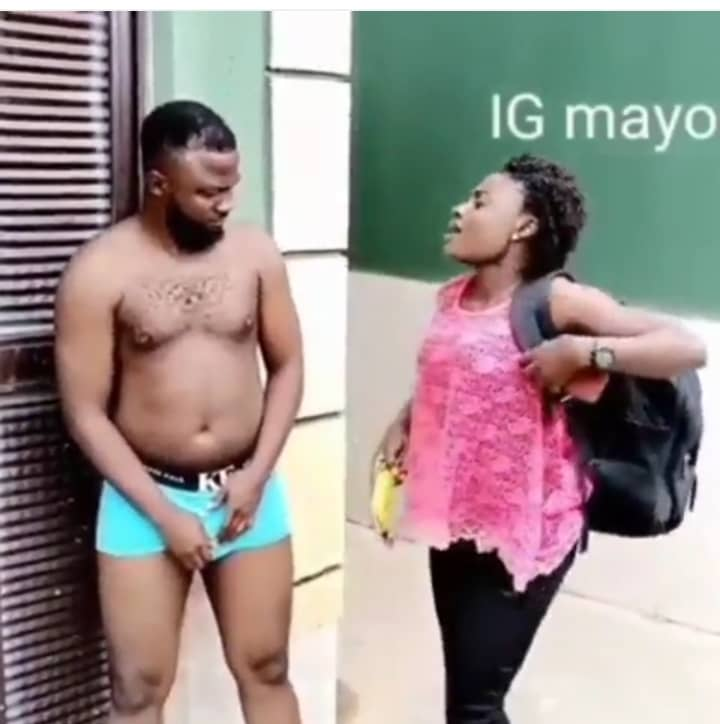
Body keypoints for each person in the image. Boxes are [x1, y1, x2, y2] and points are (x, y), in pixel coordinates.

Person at [377, 153, 707, 724]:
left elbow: (687, 347)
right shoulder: (452, 297)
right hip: (457, 520)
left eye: (480, 202)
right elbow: (453, 375)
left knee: (476, 708)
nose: (459, 210)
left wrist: (584, 351)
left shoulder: (554, 301)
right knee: (466, 700)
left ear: (524, 226)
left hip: (526, 530)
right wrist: (404, 423)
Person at [54, 100, 304, 724]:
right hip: (145, 497)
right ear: (159, 184)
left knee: (267, 666)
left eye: (231, 188)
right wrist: (165, 515)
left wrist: (256, 476)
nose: (224, 204)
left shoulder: (255, 255)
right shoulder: (100, 271)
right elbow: (85, 412)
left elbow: (289, 367)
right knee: (138, 689)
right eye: (207, 193)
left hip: (246, 492)